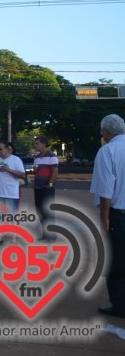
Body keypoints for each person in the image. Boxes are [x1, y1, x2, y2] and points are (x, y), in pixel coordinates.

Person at [91, 114, 125, 318]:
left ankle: (120, 304)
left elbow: (106, 190)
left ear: (106, 131)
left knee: (117, 261)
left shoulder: (108, 151)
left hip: (119, 215)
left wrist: (104, 218)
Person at [0, 141, 26, 244]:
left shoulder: (15, 159)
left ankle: (13, 238)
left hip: (10, 193)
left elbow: (22, 175)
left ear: (7, 149)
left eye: (1, 149)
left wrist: (8, 169)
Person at [31, 135, 59, 241]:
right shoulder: (37, 158)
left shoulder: (52, 156)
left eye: (37, 143)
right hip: (37, 187)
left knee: (48, 211)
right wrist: (34, 170)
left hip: (47, 188)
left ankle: (52, 236)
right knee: (40, 211)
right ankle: (45, 234)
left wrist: (50, 184)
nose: (35, 145)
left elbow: (55, 171)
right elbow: (35, 172)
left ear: (43, 143)